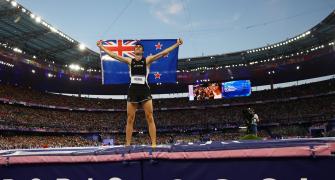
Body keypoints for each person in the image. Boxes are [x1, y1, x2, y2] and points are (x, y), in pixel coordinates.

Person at [97, 38, 183, 147]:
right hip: (133, 90)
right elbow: (114, 56)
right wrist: (101, 47)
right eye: (136, 47)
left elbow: (163, 53)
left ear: (142, 51)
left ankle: (154, 144)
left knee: (150, 117)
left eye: (140, 47)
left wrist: (176, 44)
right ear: (134, 51)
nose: (138, 47)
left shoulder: (147, 60)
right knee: (130, 118)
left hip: (144, 90)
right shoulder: (129, 61)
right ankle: (127, 144)